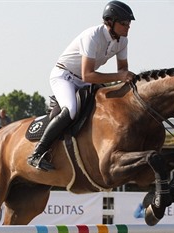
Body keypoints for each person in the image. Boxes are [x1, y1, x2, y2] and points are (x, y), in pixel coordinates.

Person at [27, 1, 136, 171]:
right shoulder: (92, 36)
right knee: (71, 109)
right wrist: (120, 76)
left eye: (129, 24)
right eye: (124, 23)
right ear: (110, 21)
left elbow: (122, 69)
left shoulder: (122, 41)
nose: (127, 27)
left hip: (84, 80)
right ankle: (37, 153)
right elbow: (89, 74)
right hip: (64, 76)